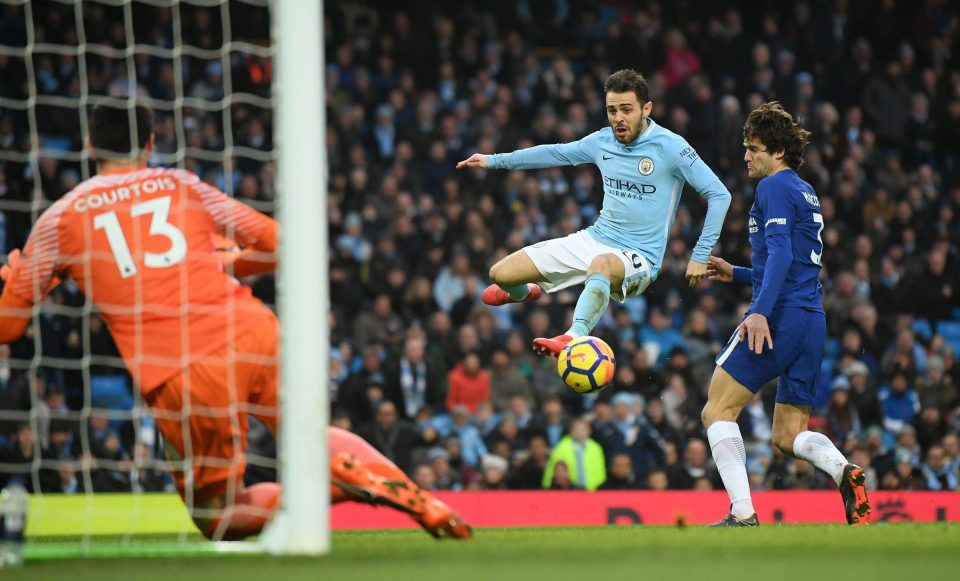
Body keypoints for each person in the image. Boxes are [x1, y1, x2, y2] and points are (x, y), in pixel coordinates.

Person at [0, 102, 471, 540]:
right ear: (150, 142)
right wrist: (229, 264)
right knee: (308, 432)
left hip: (181, 368)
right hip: (251, 328)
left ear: (88, 145)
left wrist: (14, 280)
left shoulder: (59, 220)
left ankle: (348, 488)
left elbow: (9, 329)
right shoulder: (181, 184)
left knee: (219, 518)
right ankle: (409, 493)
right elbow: (281, 243)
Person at [456, 69, 731, 356]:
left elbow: (719, 194)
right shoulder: (602, 142)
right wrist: (493, 160)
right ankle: (525, 292)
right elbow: (555, 153)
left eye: (626, 109)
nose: (618, 118)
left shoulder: (671, 147)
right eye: (612, 110)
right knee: (500, 273)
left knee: (601, 264)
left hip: (640, 257)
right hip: (596, 238)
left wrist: (700, 254)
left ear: (646, 108)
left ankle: (572, 337)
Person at [703, 102, 869, 527]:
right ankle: (843, 471)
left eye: (753, 148)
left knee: (716, 410)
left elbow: (779, 254)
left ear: (777, 152)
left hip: (779, 317)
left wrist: (758, 311)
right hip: (811, 318)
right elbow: (792, 261)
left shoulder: (772, 188)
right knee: (787, 436)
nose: (746, 156)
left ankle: (742, 514)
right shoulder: (804, 189)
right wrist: (738, 272)